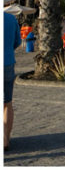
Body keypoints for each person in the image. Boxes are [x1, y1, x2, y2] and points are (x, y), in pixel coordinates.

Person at [4, 9, 22, 152]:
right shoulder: (11, 19)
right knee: (6, 103)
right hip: (7, 62)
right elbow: (17, 41)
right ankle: (5, 140)